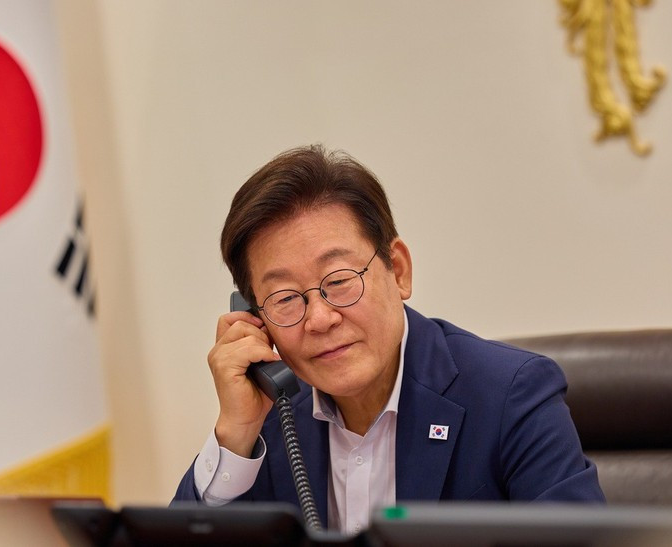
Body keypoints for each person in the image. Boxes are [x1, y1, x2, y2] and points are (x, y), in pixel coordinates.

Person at [172, 144, 605, 534]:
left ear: (398, 270)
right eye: (285, 298)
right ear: (254, 316)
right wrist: (235, 434)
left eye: (339, 280)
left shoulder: (511, 394)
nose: (320, 319)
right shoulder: (270, 419)